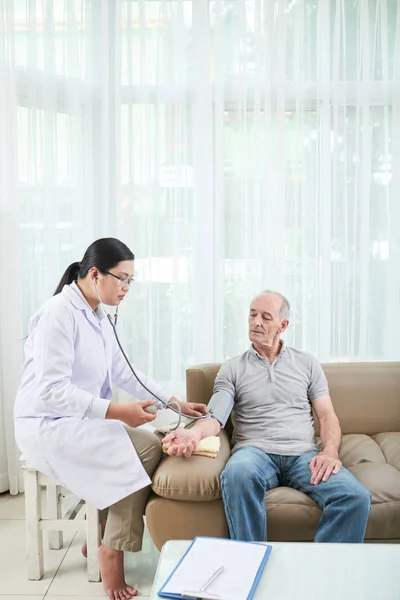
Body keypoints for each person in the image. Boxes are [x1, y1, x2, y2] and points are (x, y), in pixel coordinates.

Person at [14, 237, 210, 600]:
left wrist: (174, 402)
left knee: (148, 443)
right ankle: (111, 548)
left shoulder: (98, 315)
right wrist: (117, 412)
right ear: (94, 274)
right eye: (121, 279)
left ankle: (103, 532)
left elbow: (126, 372)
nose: (126, 288)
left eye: (130, 281)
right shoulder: (58, 314)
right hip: (47, 423)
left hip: (80, 420)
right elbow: (51, 390)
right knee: (146, 450)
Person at [163, 290, 371, 544]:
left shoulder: (307, 364)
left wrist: (329, 452)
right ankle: (249, 564)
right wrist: (192, 433)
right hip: (255, 453)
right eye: (252, 315)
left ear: (283, 325)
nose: (256, 322)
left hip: (303, 455)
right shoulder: (232, 368)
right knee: (237, 473)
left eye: (265, 317)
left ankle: (321, 574)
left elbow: (327, 417)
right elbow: (215, 416)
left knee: (355, 497)